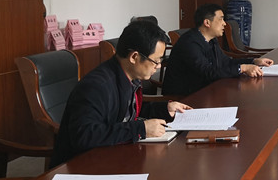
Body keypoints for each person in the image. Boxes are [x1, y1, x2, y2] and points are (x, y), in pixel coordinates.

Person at [52, 20, 191, 166]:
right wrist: (140, 129)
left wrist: (164, 109)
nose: (159, 66)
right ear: (134, 57)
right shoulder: (97, 86)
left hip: (110, 156)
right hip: (81, 166)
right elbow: (84, 135)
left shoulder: (129, 76)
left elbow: (127, 109)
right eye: (155, 61)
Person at [162, 4, 274, 96]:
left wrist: (253, 61)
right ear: (207, 23)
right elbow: (208, 72)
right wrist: (242, 68)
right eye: (221, 19)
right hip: (184, 98)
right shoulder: (190, 43)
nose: (224, 23)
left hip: (205, 90)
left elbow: (225, 62)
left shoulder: (211, 40)